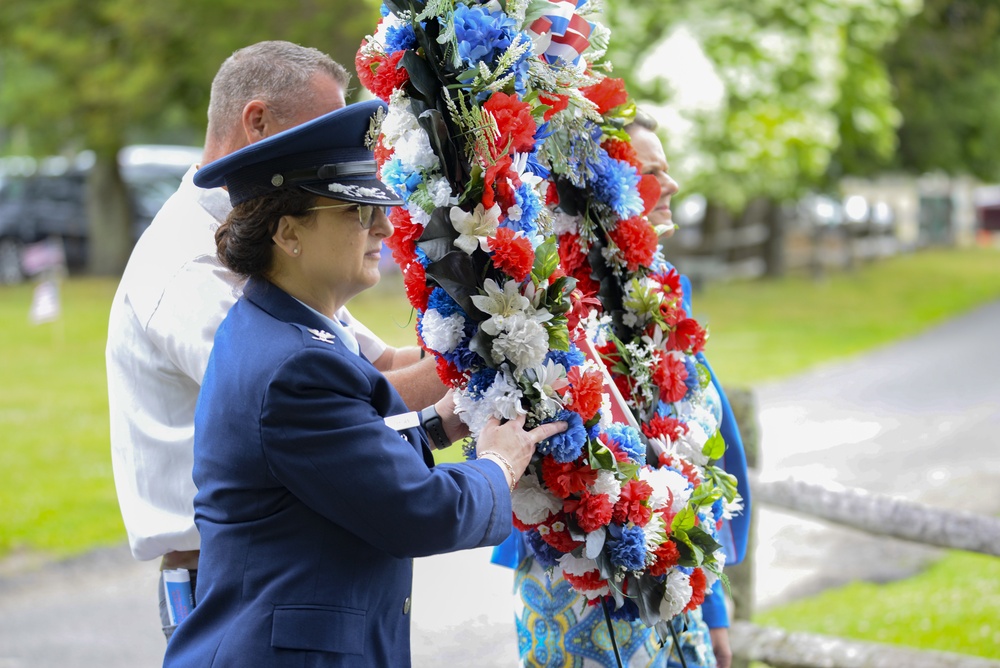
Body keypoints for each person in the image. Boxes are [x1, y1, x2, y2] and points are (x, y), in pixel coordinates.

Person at [160, 100, 567, 667]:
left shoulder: (284, 327)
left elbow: (339, 460)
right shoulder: (296, 363)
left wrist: (438, 423)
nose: (381, 225)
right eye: (356, 210)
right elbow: (420, 512)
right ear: (288, 234)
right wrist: (499, 463)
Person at [105, 41, 451, 643]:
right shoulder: (185, 266)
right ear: (257, 120)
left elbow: (377, 364)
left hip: (282, 560)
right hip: (226, 577)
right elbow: (331, 396)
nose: (339, 153)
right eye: (324, 127)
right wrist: (491, 362)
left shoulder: (263, 236)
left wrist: (485, 324)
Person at [492, 113, 751, 668]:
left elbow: (695, 457)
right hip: (585, 599)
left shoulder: (651, 298)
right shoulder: (561, 316)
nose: (673, 186)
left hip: (679, 586)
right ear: (603, 191)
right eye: (653, 172)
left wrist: (714, 612)